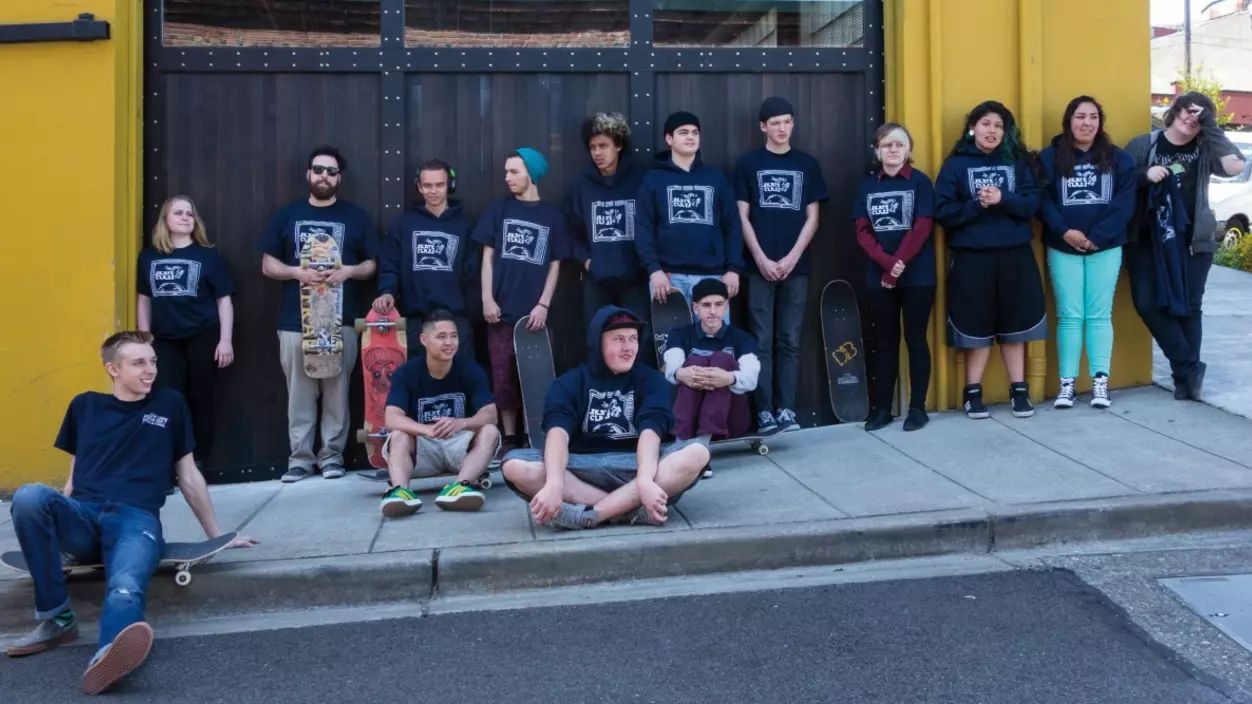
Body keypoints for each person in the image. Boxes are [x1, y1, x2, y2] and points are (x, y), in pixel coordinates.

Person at [4, 331, 258, 694]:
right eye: (139, 363)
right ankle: (58, 620)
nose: (150, 369)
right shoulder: (84, 406)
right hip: (84, 516)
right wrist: (53, 523)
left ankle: (108, 654)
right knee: (29, 496)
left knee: (124, 587)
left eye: (153, 361)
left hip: (135, 519)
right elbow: (74, 477)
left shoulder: (169, 405)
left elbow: (188, 476)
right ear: (113, 369)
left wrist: (217, 537)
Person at [500, 306, 709, 529]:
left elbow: (651, 432)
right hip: (580, 470)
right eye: (618, 339)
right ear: (597, 343)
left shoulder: (651, 380)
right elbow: (557, 435)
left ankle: (591, 515)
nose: (628, 348)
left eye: (633, 339)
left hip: (636, 467)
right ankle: (626, 512)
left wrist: (646, 480)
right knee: (515, 465)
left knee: (697, 452)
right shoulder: (568, 383)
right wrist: (554, 483)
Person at [259, 145, 378, 482]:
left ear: (339, 178)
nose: (324, 176)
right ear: (308, 174)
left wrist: (348, 272)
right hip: (297, 323)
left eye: (331, 171)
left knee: (337, 393)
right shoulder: (287, 215)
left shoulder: (356, 217)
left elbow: (372, 264)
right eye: (319, 169)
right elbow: (268, 264)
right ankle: (300, 459)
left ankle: (331, 458)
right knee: (300, 393)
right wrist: (297, 272)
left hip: (340, 321)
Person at [1123, 92, 1246, 401]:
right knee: (1147, 303)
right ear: (1174, 111)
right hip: (1148, 238)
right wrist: (1144, 175)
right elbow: (1119, 180)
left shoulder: (1206, 147)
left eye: (1201, 115)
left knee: (1190, 308)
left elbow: (1235, 167)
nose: (1193, 118)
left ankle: (1185, 380)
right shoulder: (1145, 144)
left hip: (1193, 239)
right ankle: (1189, 367)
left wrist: (1211, 127)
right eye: (1189, 111)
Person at [934, 100, 1047, 420]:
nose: (992, 131)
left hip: (1014, 255)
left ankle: (1019, 391)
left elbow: (1032, 203)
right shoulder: (955, 164)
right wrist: (976, 206)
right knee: (976, 327)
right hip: (972, 258)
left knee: (1016, 326)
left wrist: (1003, 198)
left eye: (998, 125)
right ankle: (973, 394)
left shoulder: (1017, 163)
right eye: (985, 124)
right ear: (972, 128)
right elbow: (942, 211)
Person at [734, 96, 827, 433]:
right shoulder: (747, 164)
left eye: (787, 121)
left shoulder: (807, 164)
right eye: (775, 123)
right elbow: (741, 216)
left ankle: (786, 410)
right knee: (760, 340)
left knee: (789, 339)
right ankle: (763, 413)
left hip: (796, 268)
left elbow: (813, 219)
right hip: (756, 267)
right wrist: (759, 257)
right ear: (763, 127)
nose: (782, 128)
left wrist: (791, 258)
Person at [1038, 95, 1137, 409]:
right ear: (1069, 120)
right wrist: (1064, 230)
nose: (1087, 123)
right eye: (1080, 116)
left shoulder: (1119, 159)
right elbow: (1042, 199)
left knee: (1098, 314)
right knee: (1069, 316)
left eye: (1093, 117)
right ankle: (1066, 384)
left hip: (1105, 249)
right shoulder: (1049, 158)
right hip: (1062, 246)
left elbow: (1125, 202)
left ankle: (1099, 383)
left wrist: (1098, 237)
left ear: (1100, 122)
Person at [472, 147, 568, 452]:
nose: (508, 178)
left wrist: (544, 305)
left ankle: (534, 436)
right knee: (503, 379)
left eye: (514, 171)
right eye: (506, 171)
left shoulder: (552, 216)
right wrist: (487, 298)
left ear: (532, 173)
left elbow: (555, 264)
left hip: (536, 316)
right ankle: (510, 437)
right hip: (500, 313)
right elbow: (486, 258)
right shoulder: (498, 210)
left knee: (536, 380)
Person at [136, 194, 236, 468]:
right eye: (178, 213)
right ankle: (168, 466)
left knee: (201, 398)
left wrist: (225, 340)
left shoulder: (208, 257)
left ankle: (197, 464)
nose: (185, 217)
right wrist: (145, 340)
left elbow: (224, 300)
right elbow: (144, 299)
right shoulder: (148, 258)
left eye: (189, 214)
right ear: (165, 220)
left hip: (202, 336)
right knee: (167, 400)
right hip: (164, 340)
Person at [377, 310, 501, 517]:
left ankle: (459, 487)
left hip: (459, 447)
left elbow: (491, 414)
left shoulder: (470, 370)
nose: (449, 342)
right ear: (424, 339)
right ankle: (400, 492)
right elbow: (391, 418)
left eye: (453, 336)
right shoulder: (406, 373)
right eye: (441, 337)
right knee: (398, 435)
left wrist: (460, 423)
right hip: (422, 449)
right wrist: (425, 429)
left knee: (489, 430)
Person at [854, 122, 937, 432]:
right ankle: (882, 410)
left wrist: (899, 263)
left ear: (908, 150)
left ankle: (917, 408)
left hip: (918, 277)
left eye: (899, 144)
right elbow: (863, 231)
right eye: (887, 144)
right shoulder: (866, 187)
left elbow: (922, 226)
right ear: (878, 150)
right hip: (880, 277)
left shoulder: (920, 183)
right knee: (884, 342)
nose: (893, 149)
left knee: (915, 340)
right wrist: (887, 265)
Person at [635, 111, 744, 320]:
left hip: (712, 276)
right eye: (683, 132)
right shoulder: (654, 179)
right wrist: (654, 270)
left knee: (713, 347)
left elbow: (732, 226)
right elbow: (643, 227)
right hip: (668, 279)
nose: (691, 137)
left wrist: (733, 269)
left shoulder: (715, 178)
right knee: (672, 349)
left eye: (695, 132)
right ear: (669, 139)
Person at [565, 112, 654, 365]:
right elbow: (570, 232)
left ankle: (636, 396)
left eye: (603, 146)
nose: (597, 153)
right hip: (597, 279)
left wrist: (643, 263)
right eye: (592, 147)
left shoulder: (640, 181)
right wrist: (586, 260)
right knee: (596, 339)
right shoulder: (580, 185)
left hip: (635, 277)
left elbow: (653, 225)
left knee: (639, 340)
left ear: (619, 144)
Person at [373, 160, 479, 361]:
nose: (433, 191)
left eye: (439, 185)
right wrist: (386, 291)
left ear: (450, 185)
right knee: (418, 385)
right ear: (419, 187)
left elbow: (472, 275)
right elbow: (389, 265)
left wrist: (470, 317)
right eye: (427, 185)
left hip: (455, 322)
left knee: (458, 385)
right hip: (415, 323)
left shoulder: (464, 227)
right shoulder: (403, 224)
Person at [662, 279, 760, 477]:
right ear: (695, 308)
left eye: (718, 304)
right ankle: (683, 446)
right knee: (694, 362)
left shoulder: (742, 338)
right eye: (706, 305)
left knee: (721, 360)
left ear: (727, 306)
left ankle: (698, 452)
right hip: (690, 419)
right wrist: (683, 374)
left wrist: (729, 378)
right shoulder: (680, 335)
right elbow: (671, 368)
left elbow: (751, 378)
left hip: (730, 421)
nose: (713, 311)